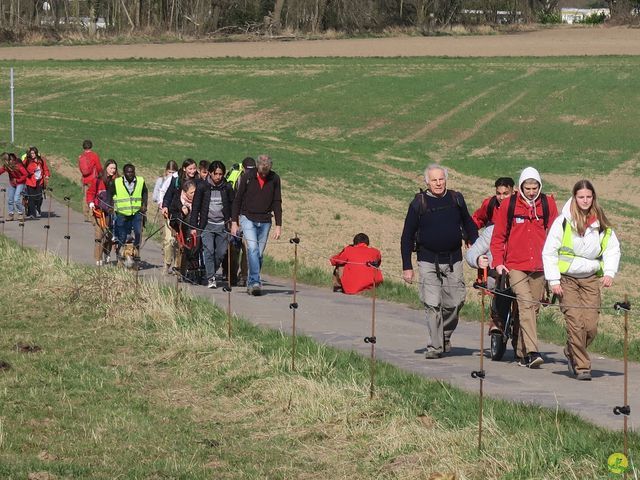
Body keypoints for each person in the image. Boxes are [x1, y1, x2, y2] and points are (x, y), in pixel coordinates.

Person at [542, 180, 620, 381]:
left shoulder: (600, 222)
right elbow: (549, 252)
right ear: (574, 198)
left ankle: (571, 350)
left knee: (591, 326)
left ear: (593, 197)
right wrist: (553, 280)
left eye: (588, 196)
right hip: (566, 280)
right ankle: (582, 366)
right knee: (575, 323)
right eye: (581, 197)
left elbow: (612, 248)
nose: (585, 201)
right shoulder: (563, 222)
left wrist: (609, 272)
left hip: (591, 279)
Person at [400, 164, 479, 359]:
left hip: (454, 259)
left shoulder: (456, 199)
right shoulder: (418, 203)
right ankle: (434, 347)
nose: (438, 183)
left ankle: (443, 335)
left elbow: (468, 222)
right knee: (432, 304)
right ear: (427, 182)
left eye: (441, 179)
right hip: (427, 260)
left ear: (446, 180)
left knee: (456, 302)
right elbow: (407, 236)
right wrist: (407, 266)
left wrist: (475, 244)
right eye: (434, 180)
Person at [490, 166, 558, 368]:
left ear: (539, 186)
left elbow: (556, 237)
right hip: (515, 266)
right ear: (520, 187)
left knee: (531, 309)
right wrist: (499, 262)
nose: (531, 192)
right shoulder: (509, 205)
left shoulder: (548, 205)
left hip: (539, 266)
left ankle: (520, 353)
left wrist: (555, 266)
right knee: (526, 304)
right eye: (527, 188)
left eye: (534, 187)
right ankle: (533, 351)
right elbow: (498, 236)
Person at [230, 154, 282, 296]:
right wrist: (235, 222)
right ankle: (254, 282)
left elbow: (277, 201)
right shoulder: (247, 177)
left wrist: (279, 224)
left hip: (265, 220)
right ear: (258, 167)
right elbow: (238, 199)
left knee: (258, 254)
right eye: (262, 172)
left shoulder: (275, 178)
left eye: (266, 172)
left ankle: (251, 281)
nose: (264, 175)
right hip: (248, 217)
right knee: (252, 249)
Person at [190, 161, 234, 289]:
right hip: (207, 225)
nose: (218, 177)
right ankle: (211, 278)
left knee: (220, 253)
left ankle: (211, 271)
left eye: (221, 174)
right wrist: (194, 227)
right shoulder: (203, 187)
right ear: (210, 173)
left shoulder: (227, 187)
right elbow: (196, 207)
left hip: (222, 225)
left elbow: (233, 204)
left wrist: (234, 222)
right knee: (208, 251)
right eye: (216, 174)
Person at [161, 159, 198, 274]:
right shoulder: (176, 180)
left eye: (194, 168)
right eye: (190, 169)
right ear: (184, 169)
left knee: (185, 244)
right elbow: (169, 195)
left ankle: (180, 267)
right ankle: (167, 264)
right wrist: (165, 206)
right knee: (170, 241)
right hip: (175, 214)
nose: (192, 171)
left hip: (191, 216)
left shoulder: (198, 180)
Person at [225, 157, 256, 286]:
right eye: (248, 170)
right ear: (243, 168)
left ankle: (243, 276)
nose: (250, 172)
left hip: (250, 218)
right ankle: (232, 275)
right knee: (234, 248)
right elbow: (232, 201)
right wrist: (233, 220)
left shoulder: (257, 180)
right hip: (236, 217)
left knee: (247, 248)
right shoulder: (236, 179)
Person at [107, 163, 148, 261]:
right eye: (128, 172)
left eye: (132, 172)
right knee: (122, 235)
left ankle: (135, 253)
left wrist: (144, 205)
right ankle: (121, 256)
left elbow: (145, 192)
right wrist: (110, 206)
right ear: (124, 173)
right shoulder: (117, 182)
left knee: (138, 233)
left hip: (136, 212)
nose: (130, 174)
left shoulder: (140, 181)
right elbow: (110, 193)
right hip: (122, 213)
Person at [87, 159, 118, 265]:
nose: (113, 170)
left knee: (108, 235)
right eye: (111, 168)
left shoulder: (117, 181)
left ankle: (107, 253)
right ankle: (98, 257)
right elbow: (90, 192)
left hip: (110, 212)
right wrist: (91, 202)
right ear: (106, 168)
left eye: (114, 168)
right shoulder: (98, 180)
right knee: (99, 234)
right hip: (98, 212)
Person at [169, 179, 199, 280]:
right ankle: (184, 271)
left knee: (196, 247)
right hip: (182, 227)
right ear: (185, 192)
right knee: (186, 248)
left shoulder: (199, 199)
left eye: (195, 191)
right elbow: (172, 214)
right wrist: (182, 213)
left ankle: (194, 269)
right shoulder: (178, 199)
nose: (194, 194)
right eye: (192, 192)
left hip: (196, 227)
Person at [78, 140, 102, 222]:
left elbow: (80, 168)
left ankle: (85, 214)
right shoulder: (94, 155)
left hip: (85, 179)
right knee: (93, 196)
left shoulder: (81, 157)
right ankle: (91, 215)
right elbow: (98, 167)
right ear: (91, 146)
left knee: (85, 197)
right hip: (93, 180)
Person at [0, 152, 28, 222]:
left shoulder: (18, 165)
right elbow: (1, 171)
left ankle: (21, 213)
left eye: (4, 160)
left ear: (9, 160)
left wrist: (18, 180)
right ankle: (11, 214)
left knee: (16, 199)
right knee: (10, 199)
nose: (4, 162)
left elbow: (26, 174)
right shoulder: (7, 166)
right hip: (12, 183)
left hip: (20, 183)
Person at [23, 147, 50, 219]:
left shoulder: (41, 160)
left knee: (38, 197)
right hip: (30, 181)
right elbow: (22, 168)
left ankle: (37, 209)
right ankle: (32, 213)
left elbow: (45, 169)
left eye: (33, 153)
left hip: (39, 181)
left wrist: (47, 175)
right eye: (31, 153)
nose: (32, 155)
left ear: (36, 153)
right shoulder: (27, 161)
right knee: (31, 198)